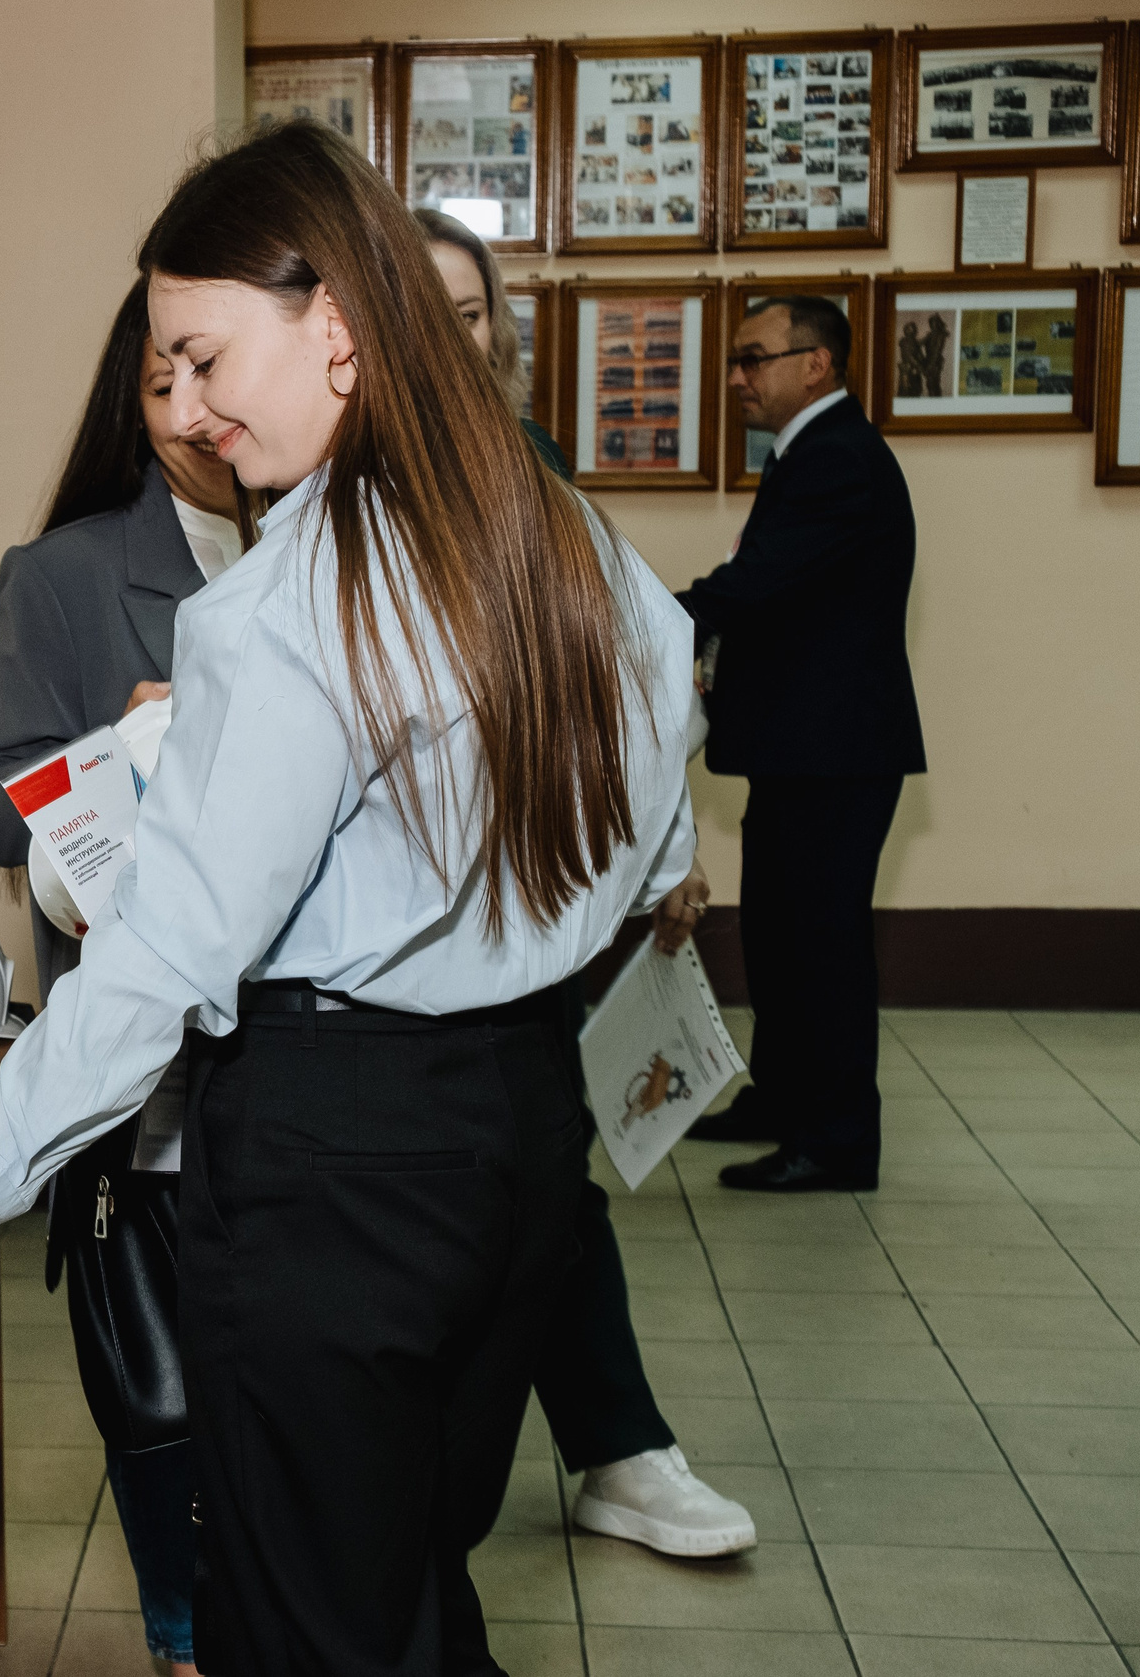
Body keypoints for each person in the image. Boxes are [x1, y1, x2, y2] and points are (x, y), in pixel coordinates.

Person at [0, 122, 702, 1676]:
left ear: (335, 328)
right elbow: (660, 830)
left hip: (335, 1159)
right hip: (524, 1134)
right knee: (407, 1581)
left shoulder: (288, 601)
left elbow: (153, 976)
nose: (185, 413)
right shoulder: (557, 532)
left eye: (203, 358)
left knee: (305, 1624)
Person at [417, 207, 753, 1556]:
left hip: (523, 904)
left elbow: (624, 666)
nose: (451, 335)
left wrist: (664, 844)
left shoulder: (525, 464)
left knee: (544, 1174)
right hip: (368, 952)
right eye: (418, 307)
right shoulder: (308, 475)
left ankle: (617, 1444)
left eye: (472, 310)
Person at [0, 276, 249, 1677]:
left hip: (326, 1078)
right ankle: (184, 1636)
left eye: (214, 371)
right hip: (156, 1087)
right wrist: (113, 758)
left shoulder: (347, 549)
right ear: (132, 407)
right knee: (168, 1399)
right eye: (163, 383)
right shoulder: (71, 571)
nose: (199, 414)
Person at [679, 295, 924, 1191]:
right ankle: (781, 1100)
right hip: (805, 749)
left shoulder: (836, 461)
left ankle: (837, 1140)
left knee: (821, 946)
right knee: (782, 938)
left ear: (816, 363)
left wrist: (640, 618)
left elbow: (755, 585)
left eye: (755, 358)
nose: (739, 377)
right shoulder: (812, 453)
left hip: (837, 754)